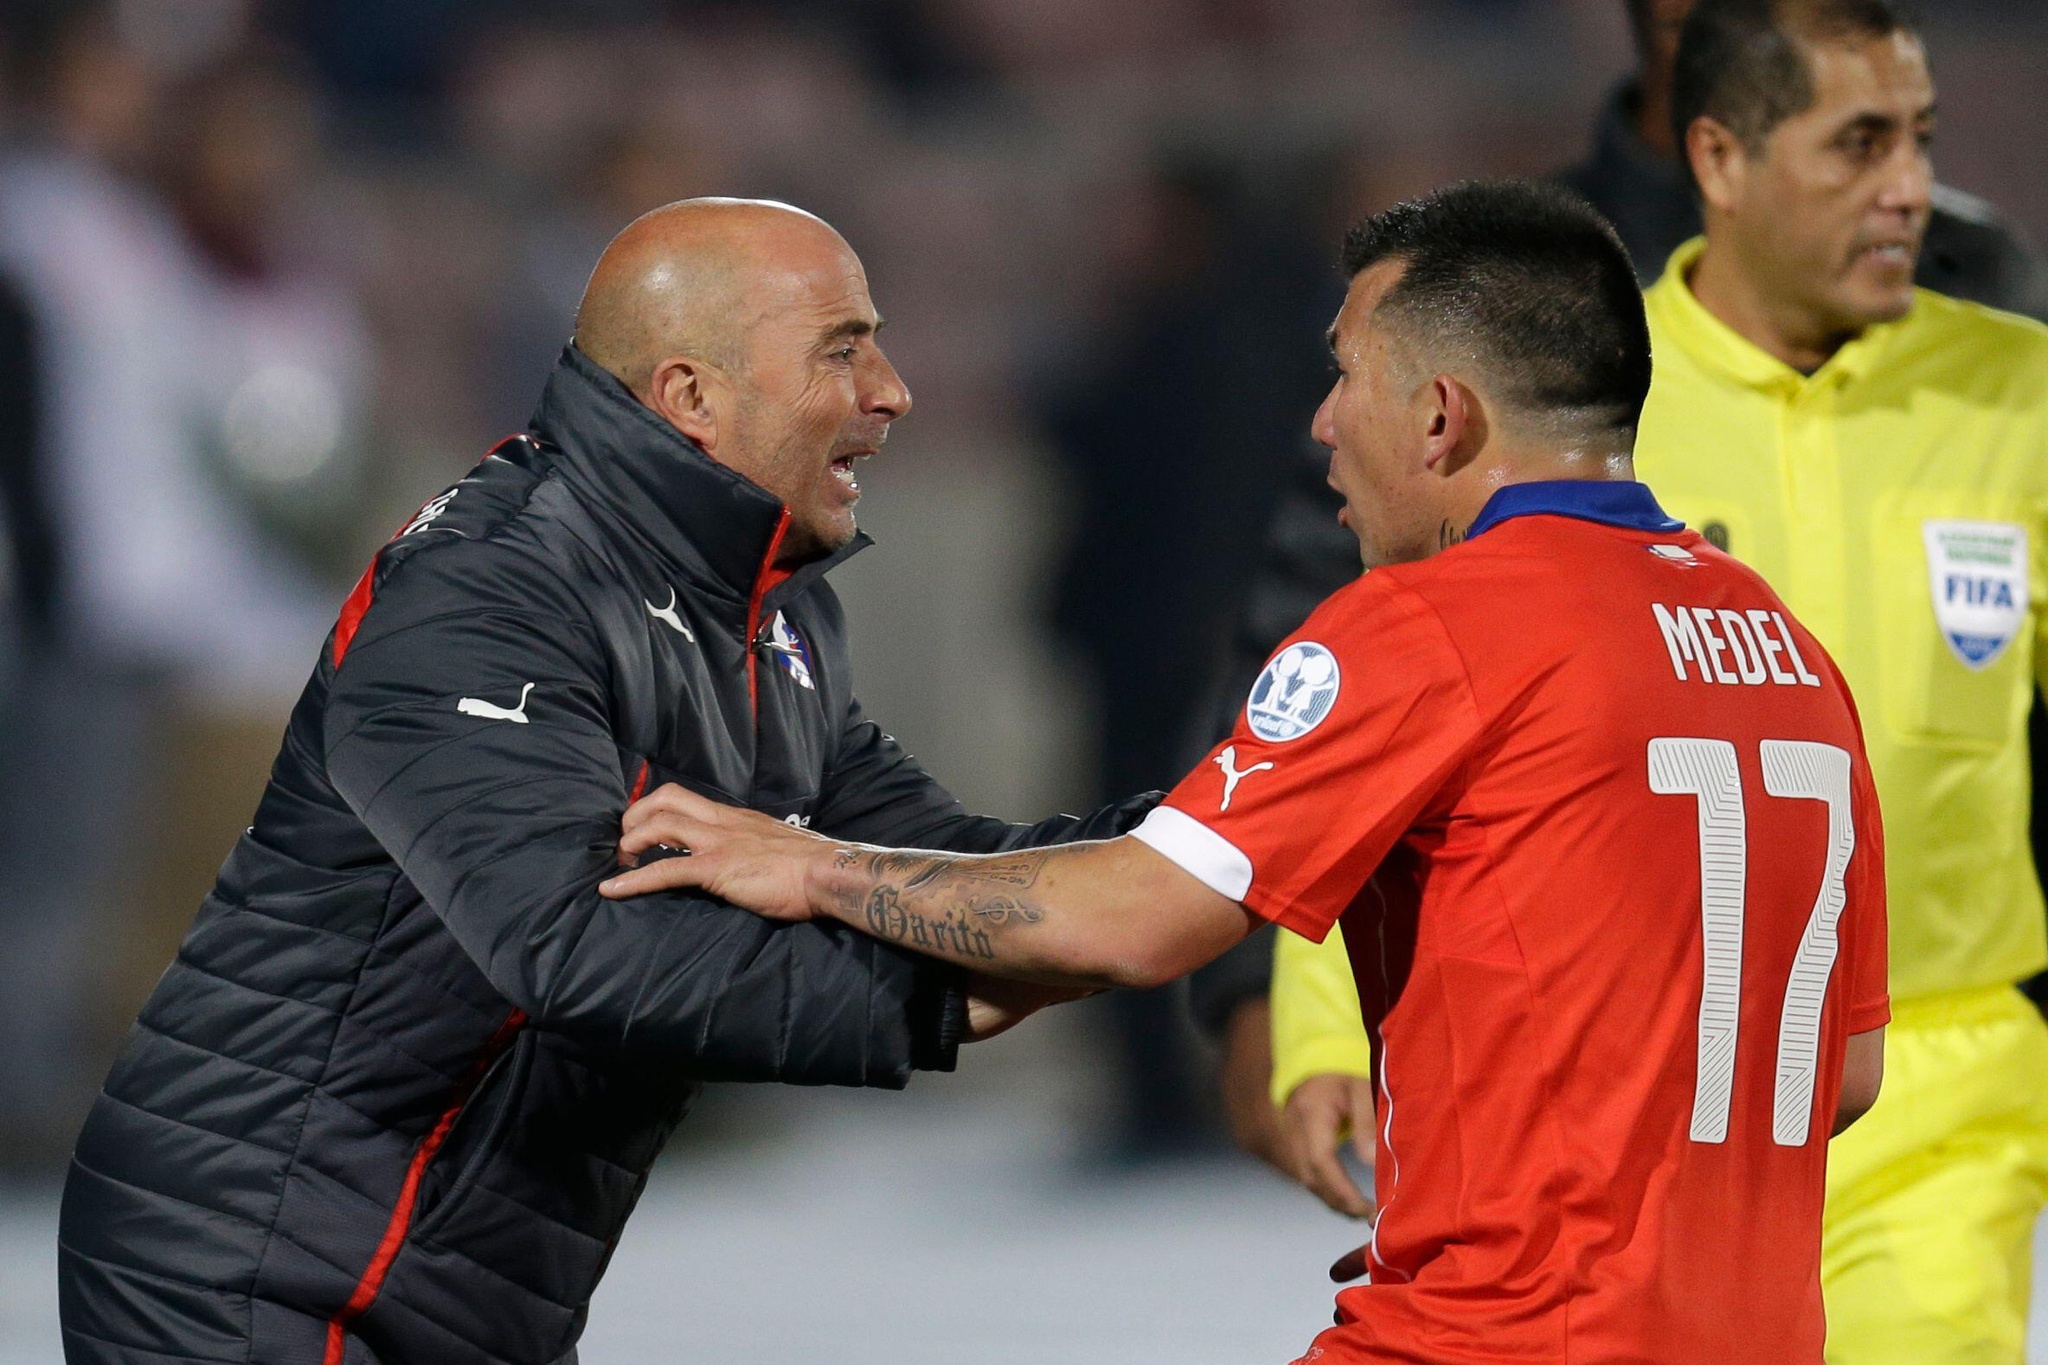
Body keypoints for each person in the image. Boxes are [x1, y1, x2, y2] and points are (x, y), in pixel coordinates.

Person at [604, 180, 1892, 1363]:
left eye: (1343, 376)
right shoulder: (1787, 653)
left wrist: (811, 864)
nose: (1323, 421)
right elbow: (1841, 1076)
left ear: (1441, 415)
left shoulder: (1435, 625)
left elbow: (1127, 924)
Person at [56, 198, 1149, 1365]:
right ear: (690, 396)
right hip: (256, 1268)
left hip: (466, 1279)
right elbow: (577, 951)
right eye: (842, 348)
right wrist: (946, 990)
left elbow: (942, 862)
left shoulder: (773, 614)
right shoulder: (483, 593)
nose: (891, 389)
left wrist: (1230, 833)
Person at [1263, 3, 2048, 1360]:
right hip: (1625, 1083)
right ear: (1721, 161)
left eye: (1919, 140)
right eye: (1860, 145)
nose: (1910, 187)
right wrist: (1322, 1020)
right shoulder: (1584, 396)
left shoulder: (2023, 398)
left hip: (1931, 1071)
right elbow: (1405, 692)